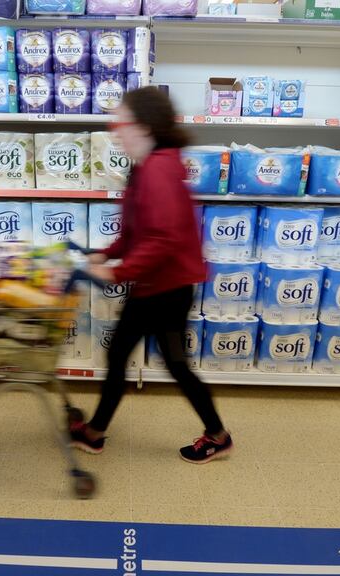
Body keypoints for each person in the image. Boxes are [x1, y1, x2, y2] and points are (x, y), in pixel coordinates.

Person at [70, 87, 233, 464]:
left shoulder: (158, 168)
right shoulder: (147, 167)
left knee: (134, 357)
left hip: (165, 290)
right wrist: (105, 253)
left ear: (142, 126)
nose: (116, 131)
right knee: (167, 363)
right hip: (161, 287)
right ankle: (216, 434)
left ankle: (96, 433)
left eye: (121, 123)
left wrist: (117, 273)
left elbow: (162, 239)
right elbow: (136, 233)